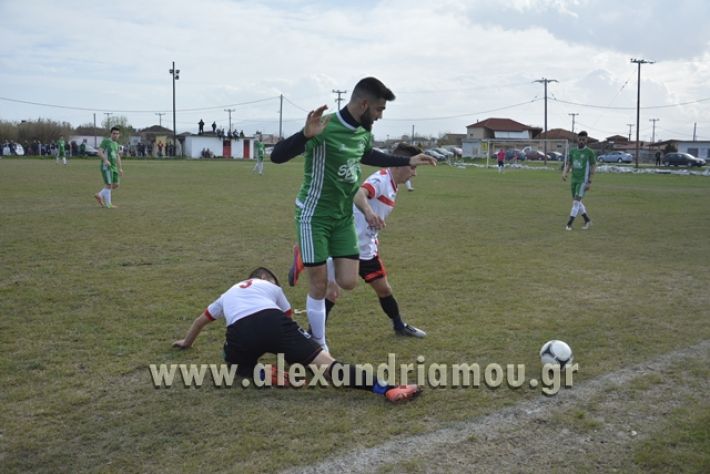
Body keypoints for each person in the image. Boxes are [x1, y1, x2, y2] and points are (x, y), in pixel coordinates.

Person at [271, 77, 437, 352]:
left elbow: (368, 155)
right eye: (379, 109)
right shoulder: (324, 127)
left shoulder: (362, 132)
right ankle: (318, 346)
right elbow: (276, 156)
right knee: (321, 285)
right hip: (315, 215)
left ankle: (308, 254)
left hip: (342, 218)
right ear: (364, 104)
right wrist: (304, 135)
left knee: (348, 282)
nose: (380, 116)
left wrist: (407, 160)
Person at [172, 267, 421, 403]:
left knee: (234, 364)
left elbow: (200, 321)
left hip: (240, 332)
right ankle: (387, 389)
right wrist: (306, 354)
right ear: (266, 279)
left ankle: (262, 373)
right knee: (329, 367)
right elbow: (288, 321)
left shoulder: (228, 293)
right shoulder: (272, 287)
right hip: (273, 322)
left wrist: (186, 342)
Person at [290, 143, 427, 338]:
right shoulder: (380, 179)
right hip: (346, 247)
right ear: (398, 164)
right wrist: (370, 213)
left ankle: (399, 326)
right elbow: (359, 193)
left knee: (384, 288)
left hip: (366, 248)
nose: (414, 173)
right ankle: (314, 336)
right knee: (332, 292)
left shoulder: (392, 184)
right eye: (412, 168)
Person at [562, 131, 595, 230]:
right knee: (577, 202)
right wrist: (565, 173)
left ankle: (569, 224)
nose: (581, 141)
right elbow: (569, 164)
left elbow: (593, 167)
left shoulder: (589, 152)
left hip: (582, 181)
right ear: (577, 139)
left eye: (583, 140)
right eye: (580, 139)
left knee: (576, 203)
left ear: (586, 140)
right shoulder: (573, 151)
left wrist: (589, 182)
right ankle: (587, 221)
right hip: (574, 180)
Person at [94, 126, 123, 209]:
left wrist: (120, 168)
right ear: (111, 134)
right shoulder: (106, 141)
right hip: (106, 166)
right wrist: (105, 160)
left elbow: (117, 156)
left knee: (116, 184)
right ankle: (108, 204)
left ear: (119, 135)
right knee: (109, 185)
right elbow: (99, 152)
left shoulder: (116, 144)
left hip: (114, 167)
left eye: (117, 134)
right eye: (114, 133)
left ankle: (100, 194)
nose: (115, 135)